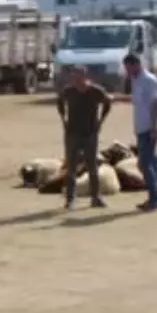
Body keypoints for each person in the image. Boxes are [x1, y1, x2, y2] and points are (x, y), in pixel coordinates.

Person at [56, 66, 113, 209]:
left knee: (92, 165)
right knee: (71, 167)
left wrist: (101, 121)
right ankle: (70, 198)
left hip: (90, 133)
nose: (76, 79)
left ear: (85, 76)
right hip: (72, 133)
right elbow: (59, 102)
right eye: (74, 76)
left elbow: (107, 103)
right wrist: (63, 119)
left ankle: (96, 197)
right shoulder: (68, 91)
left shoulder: (96, 91)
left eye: (79, 76)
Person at [123, 54, 157, 212]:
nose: (126, 71)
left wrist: (154, 127)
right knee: (152, 163)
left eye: (128, 68)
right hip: (141, 127)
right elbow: (137, 101)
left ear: (136, 65)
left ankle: (155, 198)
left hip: (149, 128)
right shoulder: (135, 80)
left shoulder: (149, 80)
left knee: (145, 164)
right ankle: (156, 197)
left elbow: (156, 105)